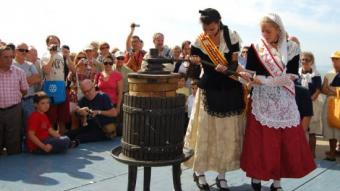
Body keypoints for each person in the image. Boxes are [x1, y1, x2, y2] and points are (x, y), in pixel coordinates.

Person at [240, 13, 316, 191]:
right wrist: (244, 76)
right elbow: (251, 74)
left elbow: (290, 76)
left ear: (278, 30)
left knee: (281, 143)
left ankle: (277, 183)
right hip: (261, 101)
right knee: (259, 143)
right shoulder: (255, 48)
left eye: (268, 31)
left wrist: (263, 80)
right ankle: (257, 179)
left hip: (284, 101)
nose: (265, 34)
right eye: (262, 31)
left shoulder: (292, 48)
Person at [184, 8, 248, 191]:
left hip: (228, 89)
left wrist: (226, 67)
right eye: (206, 29)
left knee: (227, 135)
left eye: (212, 29)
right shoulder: (199, 40)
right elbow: (194, 71)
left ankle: (222, 175)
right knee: (205, 133)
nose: (209, 33)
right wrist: (194, 60)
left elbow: (235, 63)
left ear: (219, 22)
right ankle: (199, 171)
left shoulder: (232, 37)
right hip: (208, 90)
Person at [41, 35, 73, 135]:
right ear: (47, 45)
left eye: (56, 42)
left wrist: (68, 56)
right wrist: (51, 55)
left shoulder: (62, 55)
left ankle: (63, 137)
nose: (54, 44)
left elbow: (73, 70)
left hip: (62, 87)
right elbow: (46, 70)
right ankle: (52, 138)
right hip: (51, 87)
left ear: (59, 44)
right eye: (51, 42)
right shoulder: (45, 55)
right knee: (51, 117)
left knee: (63, 117)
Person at [0, 44, 28, 155]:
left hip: (14, 111)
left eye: (11, 57)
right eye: (5, 57)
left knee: (14, 143)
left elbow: (24, 90)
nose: (9, 60)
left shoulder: (19, 72)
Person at [298, 51, 322, 157]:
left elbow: (317, 91)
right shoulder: (297, 73)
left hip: (312, 104)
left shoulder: (316, 75)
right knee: (300, 130)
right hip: (299, 105)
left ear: (311, 61)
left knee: (312, 131)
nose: (304, 61)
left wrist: (308, 100)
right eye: (302, 59)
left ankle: (312, 154)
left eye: (307, 60)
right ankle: (301, 152)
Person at [321, 50, 340, 161]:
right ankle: (332, 153)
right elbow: (324, 89)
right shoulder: (329, 74)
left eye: (337, 59)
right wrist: (333, 91)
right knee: (330, 129)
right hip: (329, 104)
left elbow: (328, 89)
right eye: (333, 59)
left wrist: (333, 90)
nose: (334, 61)